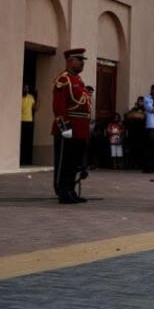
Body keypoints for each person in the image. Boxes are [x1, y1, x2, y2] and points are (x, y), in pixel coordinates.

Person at [51, 48, 92, 204]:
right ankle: (62, 191)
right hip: (68, 129)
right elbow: (59, 107)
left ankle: (70, 190)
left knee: (75, 163)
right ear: (70, 61)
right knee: (64, 163)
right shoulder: (63, 80)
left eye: (83, 61)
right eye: (79, 60)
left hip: (80, 129)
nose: (82, 63)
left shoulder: (78, 81)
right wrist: (64, 127)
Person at [123, 97, 146, 169]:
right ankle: (132, 164)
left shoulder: (145, 110)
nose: (140, 103)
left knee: (141, 148)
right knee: (133, 148)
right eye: (139, 101)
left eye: (142, 101)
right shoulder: (134, 109)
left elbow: (143, 117)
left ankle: (140, 164)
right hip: (134, 131)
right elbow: (128, 115)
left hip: (142, 132)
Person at [20, 84, 39, 165]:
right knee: (21, 141)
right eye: (24, 88)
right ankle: (20, 160)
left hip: (29, 121)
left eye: (27, 88)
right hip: (20, 121)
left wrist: (37, 97)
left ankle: (26, 160)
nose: (26, 89)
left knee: (26, 142)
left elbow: (35, 108)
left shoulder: (31, 97)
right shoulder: (19, 97)